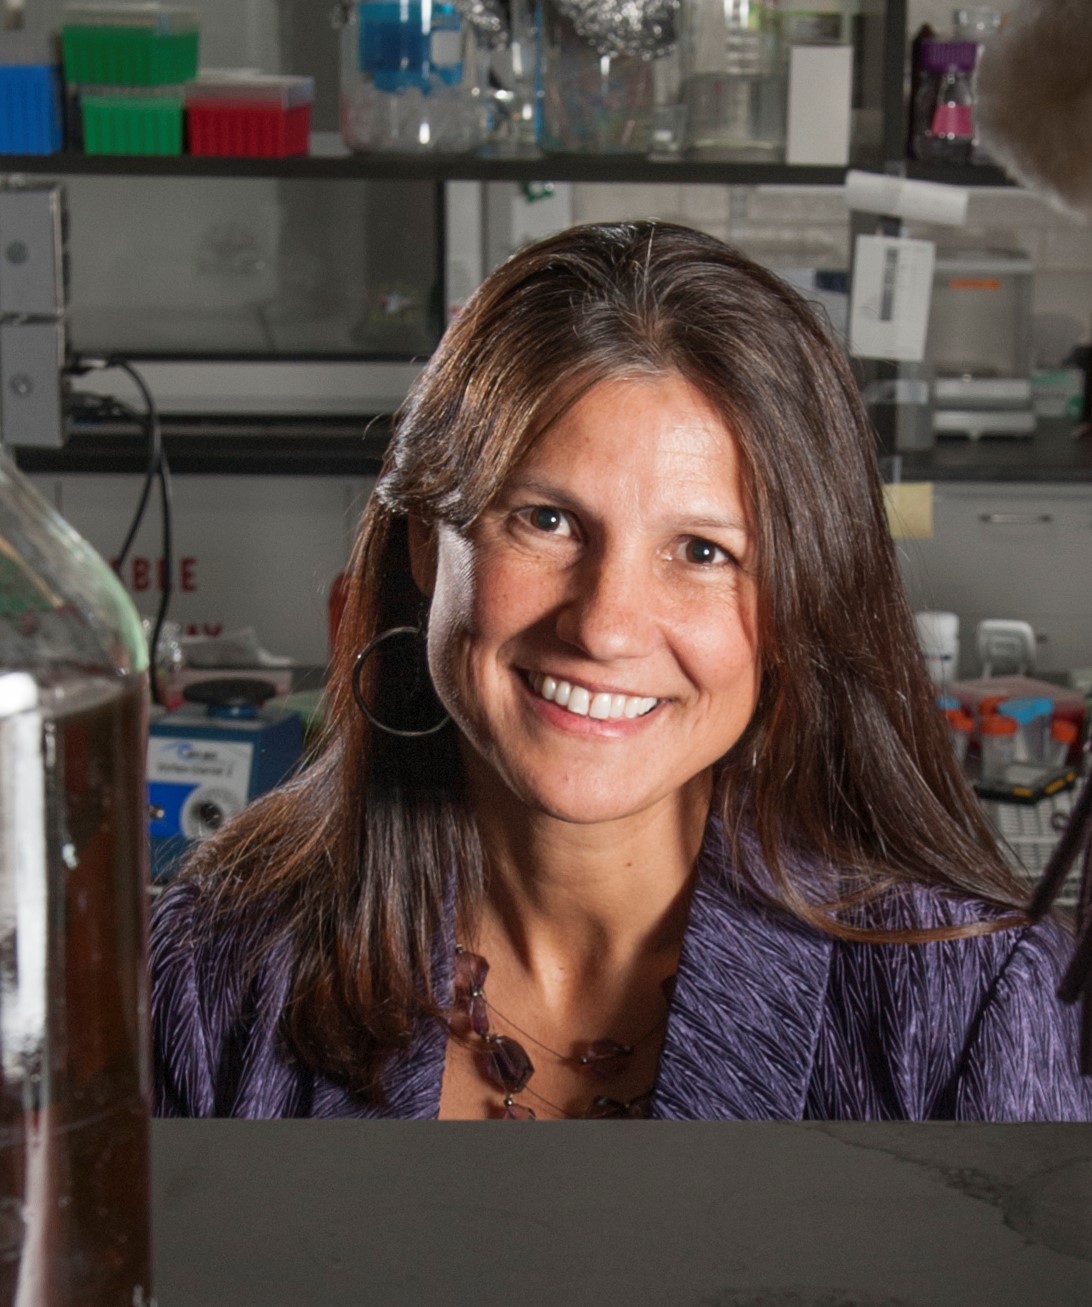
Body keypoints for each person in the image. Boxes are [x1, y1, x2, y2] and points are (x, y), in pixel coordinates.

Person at [151, 220, 1092, 1120]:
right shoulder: (207, 976)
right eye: (546, 520)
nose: (605, 625)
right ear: (425, 545)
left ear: (803, 606)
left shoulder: (975, 1007)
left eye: (703, 550)